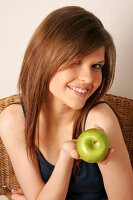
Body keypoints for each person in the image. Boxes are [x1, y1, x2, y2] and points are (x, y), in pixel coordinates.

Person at [0, 5, 133, 200]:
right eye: (75, 61)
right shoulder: (13, 120)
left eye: (96, 66)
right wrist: (66, 158)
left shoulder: (98, 120)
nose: (88, 78)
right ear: (44, 59)